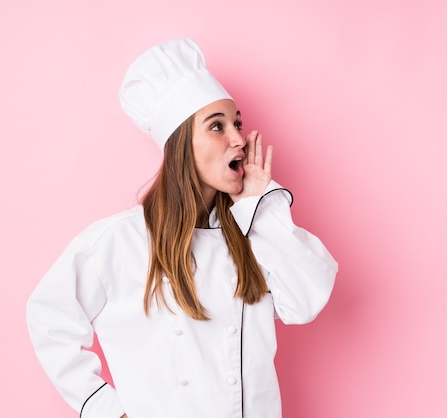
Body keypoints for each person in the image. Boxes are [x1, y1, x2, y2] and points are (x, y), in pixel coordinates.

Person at [26, 38, 338, 418]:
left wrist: (260, 205)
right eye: (217, 127)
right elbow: (49, 317)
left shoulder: (250, 234)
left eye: (238, 124)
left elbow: (306, 301)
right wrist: (106, 409)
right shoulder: (120, 241)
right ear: (181, 146)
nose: (239, 139)